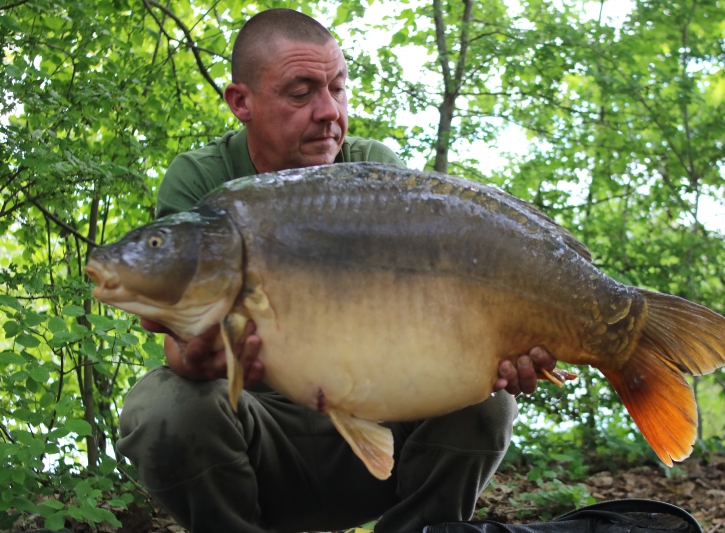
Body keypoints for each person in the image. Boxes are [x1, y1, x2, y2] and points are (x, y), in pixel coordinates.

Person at [117, 9, 557, 533]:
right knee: (163, 406)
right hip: (260, 445)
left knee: (488, 403)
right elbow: (182, 359)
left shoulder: (374, 173)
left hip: (379, 424)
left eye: (338, 88)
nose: (329, 112)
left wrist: (501, 350)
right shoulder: (205, 184)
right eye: (301, 93)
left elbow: (430, 332)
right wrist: (195, 346)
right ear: (242, 102)